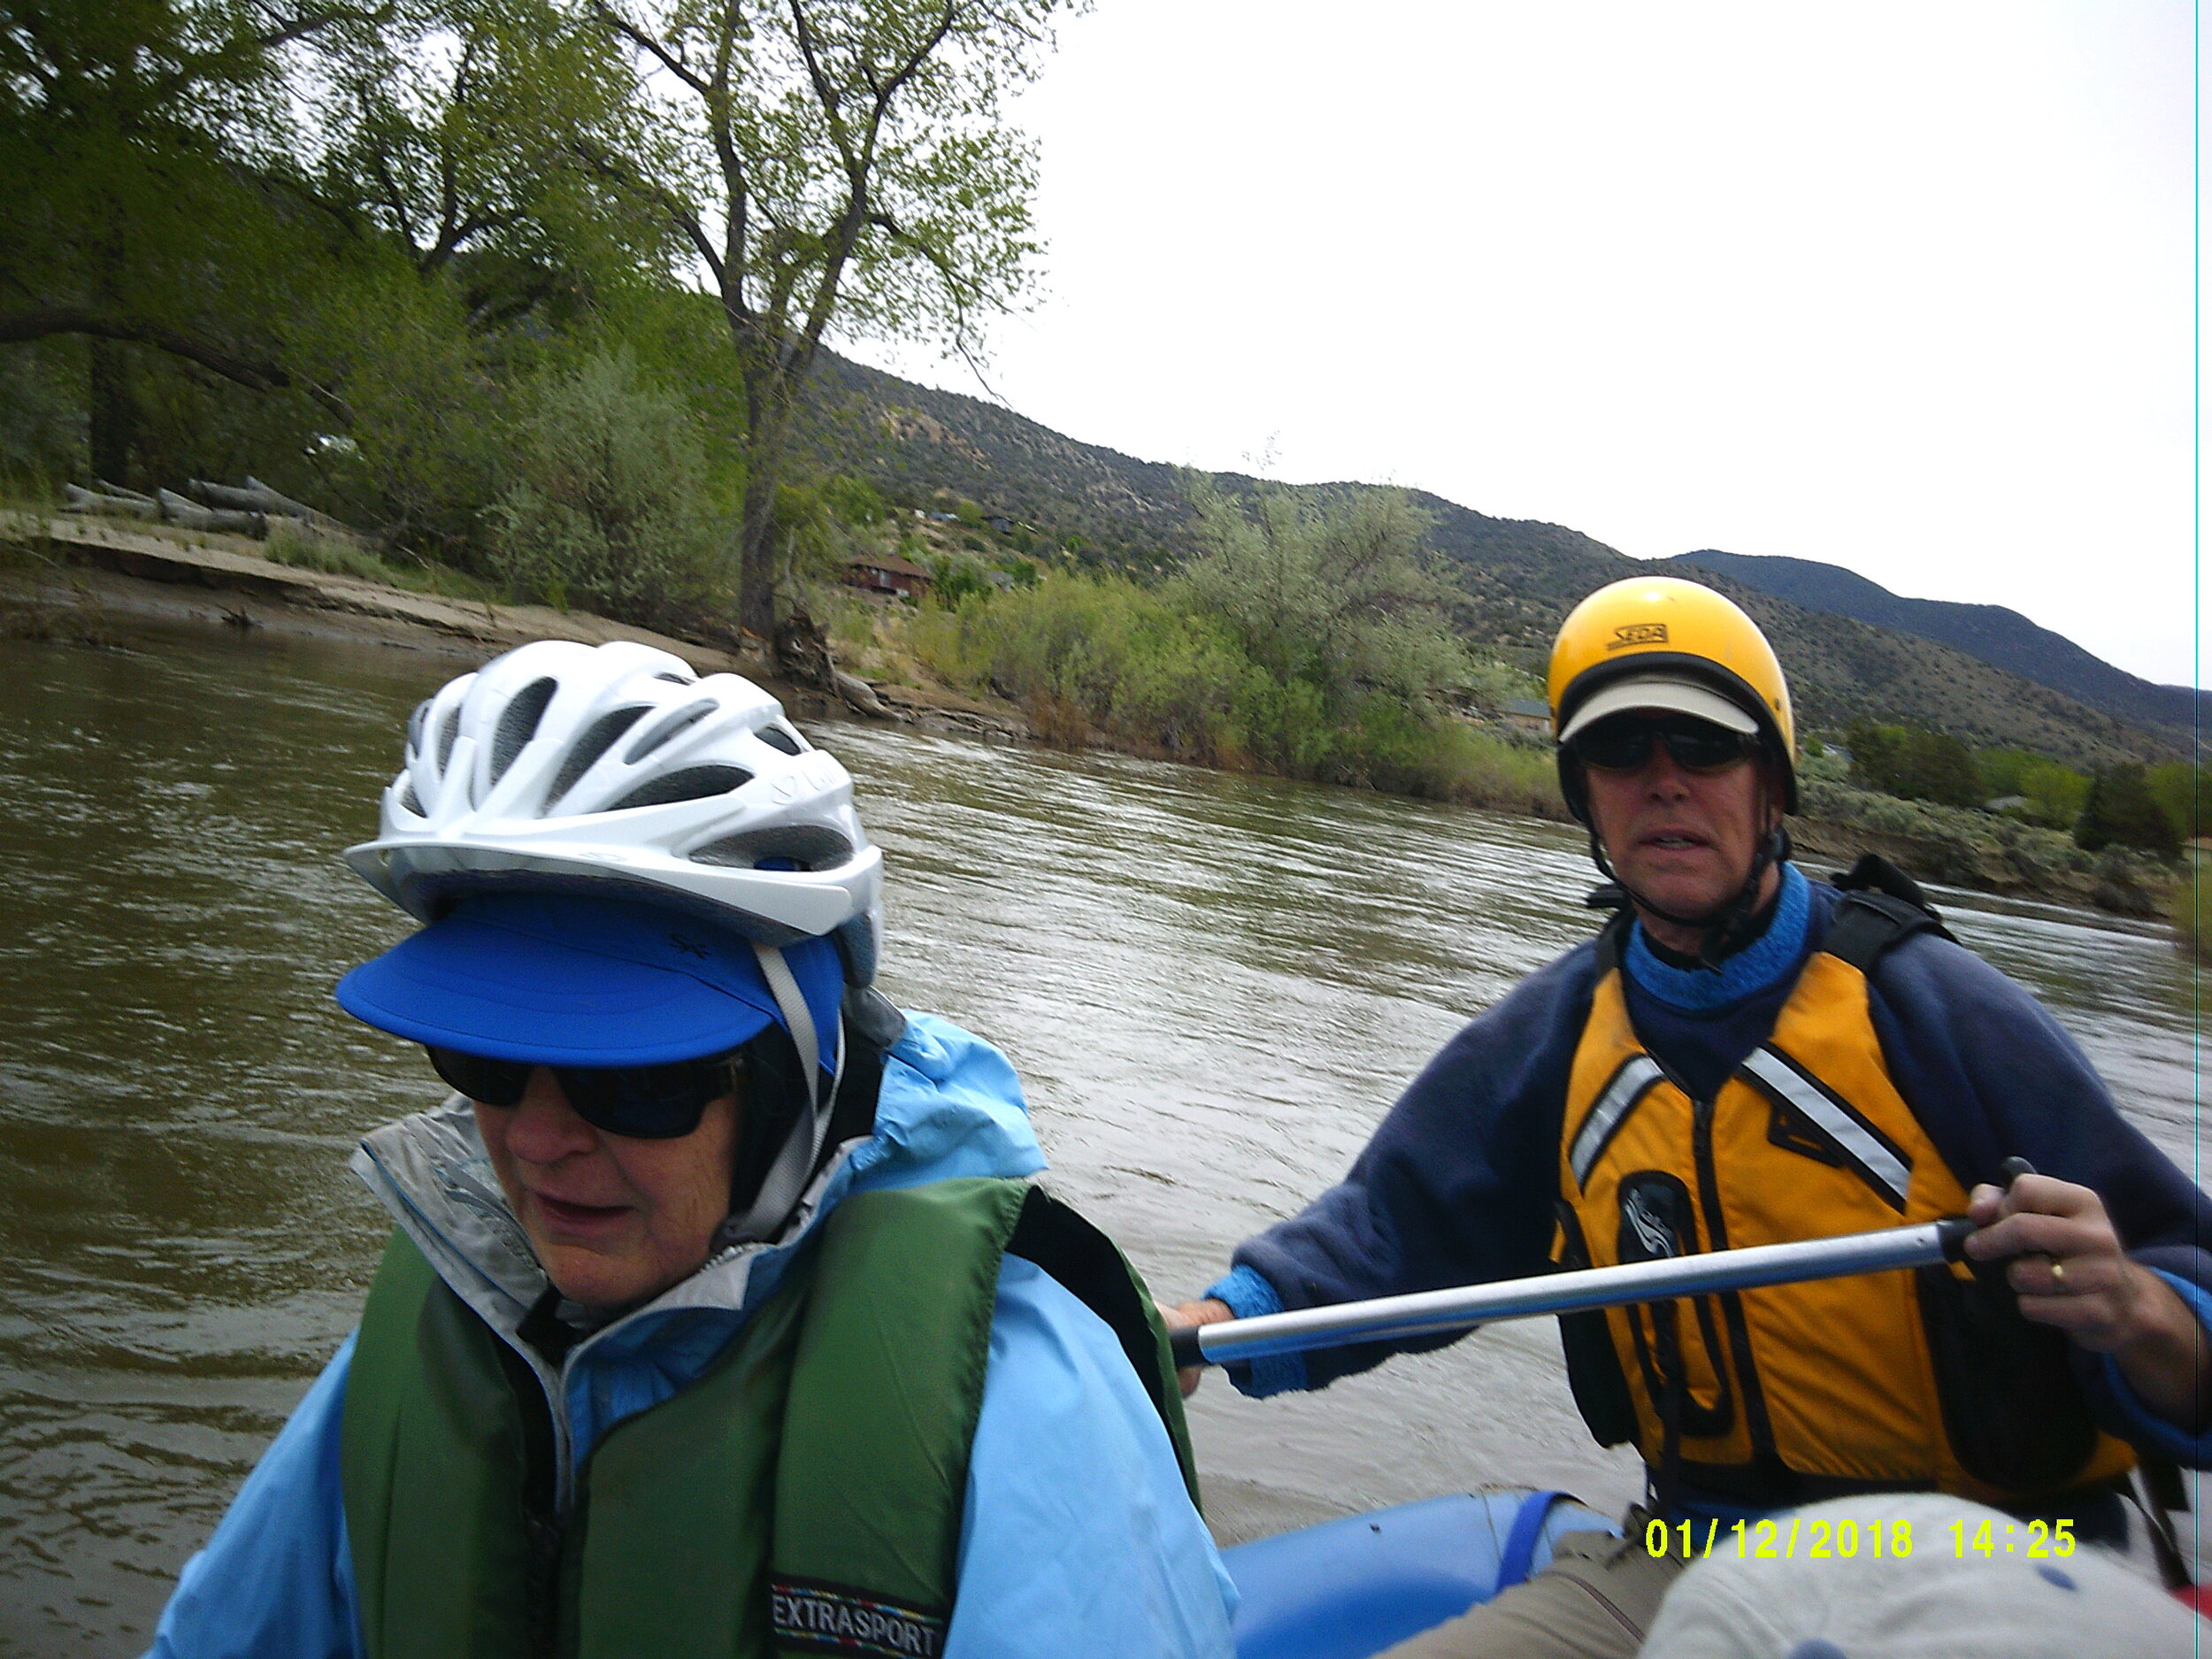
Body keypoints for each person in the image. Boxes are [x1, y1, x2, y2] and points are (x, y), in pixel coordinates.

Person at [1168, 576, 2212, 1658]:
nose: (1663, 784)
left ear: (1771, 785)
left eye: (1704, 750)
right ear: (1586, 797)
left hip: (1993, 1557)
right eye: (1622, 755)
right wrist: (1214, 1321)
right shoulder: (1557, 1035)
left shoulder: (1943, 1013)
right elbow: (1395, 1232)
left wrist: (2139, 1309)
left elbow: (2188, 1288)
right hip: (1689, 1552)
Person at [146, 639, 1237, 1659]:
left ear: (784, 1079)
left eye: (633, 1078)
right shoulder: (447, 1320)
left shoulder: (1024, 1406)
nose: (533, 1140)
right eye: (480, 1056)